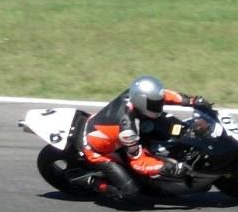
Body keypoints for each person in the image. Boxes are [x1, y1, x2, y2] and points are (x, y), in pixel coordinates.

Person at [77, 75, 213, 202]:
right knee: (130, 192)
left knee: (169, 126)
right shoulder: (128, 131)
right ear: (142, 103)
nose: (160, 106)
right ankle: (92, 182)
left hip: (111, 127)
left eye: (159, 102)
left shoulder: (135, 95)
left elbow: (163, 95)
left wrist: (191, 101)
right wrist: (169, 168)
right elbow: (138, 164)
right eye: (156, 104)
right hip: (97, 151)